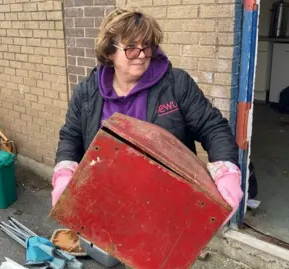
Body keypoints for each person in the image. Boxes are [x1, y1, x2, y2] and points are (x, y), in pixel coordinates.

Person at [51, 7, 243, 225]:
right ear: (109, 51)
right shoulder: (87, 93)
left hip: (168, 203)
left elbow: (212, 126)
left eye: (147, 46)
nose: (141, 55)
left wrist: (226, 171)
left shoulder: (176, 84)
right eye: (131, 48)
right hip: (111, 201)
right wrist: (65, 172)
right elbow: (71, 136)